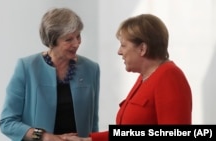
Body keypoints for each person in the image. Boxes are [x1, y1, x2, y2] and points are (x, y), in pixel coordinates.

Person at [64, 13, 192, 141]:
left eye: (123, 45)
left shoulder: (169, 77)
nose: (119, 51)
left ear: (142, 49)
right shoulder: (145, 77)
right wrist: (86, 140)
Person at [0, 7, 100, 141]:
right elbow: (7, 122)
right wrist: (43, 136)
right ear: (52, 41)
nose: (76, 43)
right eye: (68, 39)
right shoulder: (26, 67)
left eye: (78, 36)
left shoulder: (91, 69)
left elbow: (93, 124)